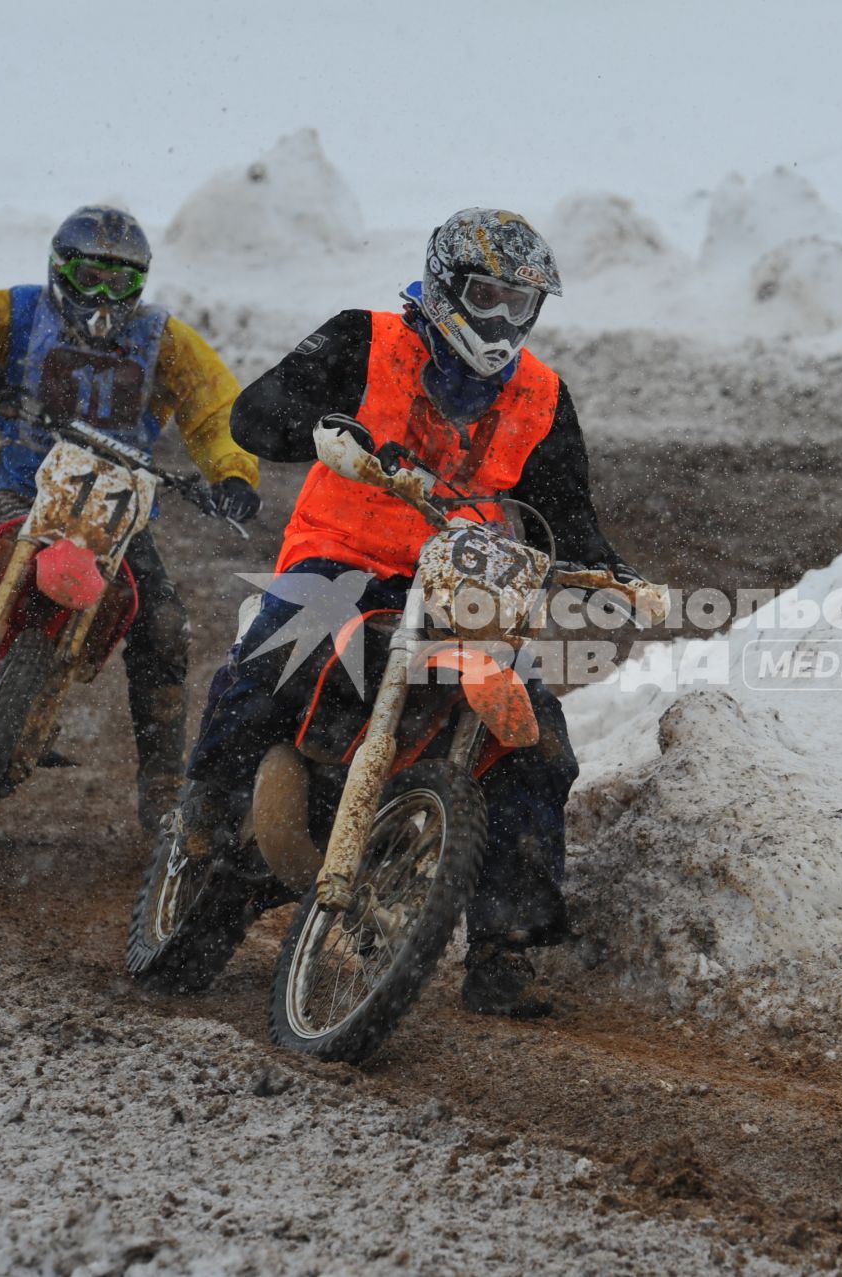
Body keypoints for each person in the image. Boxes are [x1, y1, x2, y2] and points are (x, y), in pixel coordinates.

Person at [179, 207, 640, 1018]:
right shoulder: (366, 339)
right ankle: (206, 818)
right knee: (269, 665)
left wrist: (606, 568)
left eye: (519, 304)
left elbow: (566, 511)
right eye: (485, 297)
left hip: (462, 581)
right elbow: (254, 417)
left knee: (533, 738)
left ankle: (505, 949)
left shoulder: (541, 395)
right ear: (441, 286)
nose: (500, 320)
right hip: (340, 556)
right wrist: (323, 428)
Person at [0, 205, 262, 833]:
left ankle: (162, 780)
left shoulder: (167, 340)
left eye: (122, 281)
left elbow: (217, 409)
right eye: (90, 276)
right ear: (60, 269)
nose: (104, 295)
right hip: (24, 490)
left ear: (142, 283)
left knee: (164, 627)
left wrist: (234, 473)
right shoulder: (18, 310)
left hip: (119, 510)